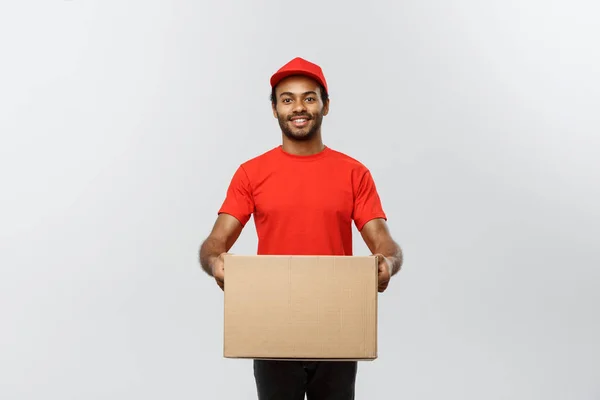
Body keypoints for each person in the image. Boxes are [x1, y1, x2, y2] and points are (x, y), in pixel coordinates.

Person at [199, 57, 403, 400]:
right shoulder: (252, 173)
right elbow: (216, 240)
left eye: (309, 98)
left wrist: (388, 263)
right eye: (287, 98)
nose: (299, 107)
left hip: (336, 323)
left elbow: (383, 241)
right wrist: (215, 262)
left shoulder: (354, 173)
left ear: (325, 106)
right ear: (275, 109)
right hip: (273, 326)